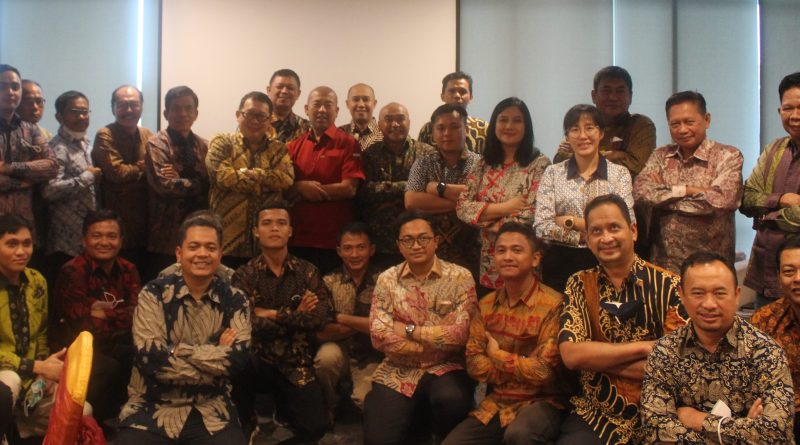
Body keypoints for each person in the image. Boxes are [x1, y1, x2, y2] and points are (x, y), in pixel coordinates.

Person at [557, 194, 686, 445]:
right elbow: (572, 355)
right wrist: (644, 347)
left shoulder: (671, 285)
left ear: (633, 231)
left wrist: (597, 361)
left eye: (614, 227)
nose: (606, 238)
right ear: (587, 239)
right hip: (597, 413)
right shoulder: (579, 283)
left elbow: (674, 366)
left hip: (660, 413)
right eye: (596, 231)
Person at [115, 212, 251, 445]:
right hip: (152, 406)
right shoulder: (153, 294)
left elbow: (237, 361)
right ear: (179, 253)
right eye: (194, 247)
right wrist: (214, 358)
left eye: (210, 248)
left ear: (220, 254)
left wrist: (177, 350)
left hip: (211, 408)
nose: (202, 254)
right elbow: (151, 360)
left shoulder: (236, 299)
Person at [641, 251, 795, 443]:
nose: (709, 304)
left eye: (719, 293)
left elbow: (776, 433)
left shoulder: (765, 352)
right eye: (698, 293)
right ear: (682, 295)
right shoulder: (664, 352)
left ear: (736, 295)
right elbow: (655, 431)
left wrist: (698, 420)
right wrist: (743, 431)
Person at [442, 223, 571, 445]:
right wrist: (522, 365)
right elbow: (474, 363)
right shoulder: (486, 304)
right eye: (501, 250)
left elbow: (543, 372)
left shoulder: (554, 304)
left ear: (535, 258)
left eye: (516, 250)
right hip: (498, 403)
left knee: (518, 435)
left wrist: (496, 355)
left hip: (543, 402)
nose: (508, 257)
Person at [364, 211, 477, 445]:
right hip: (397, 369)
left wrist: (408, 330)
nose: (416, 245)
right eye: (408, 240)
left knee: (453, 400)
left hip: (446, 366)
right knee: (377, 439)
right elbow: (378, 335)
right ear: (399, 245)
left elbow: (460, 334)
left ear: (436, 241)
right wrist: (431, 341)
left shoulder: (460, 277)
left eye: (423, 238)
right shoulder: (387, 279)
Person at [231, 202, 330, 444]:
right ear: (256, 231)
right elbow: (245, 323)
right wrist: (296, 315)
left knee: (316, 428)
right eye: (267, 223)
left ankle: (284, 412)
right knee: (237, 360)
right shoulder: (244, 275)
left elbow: (319, 319)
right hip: (257, 360)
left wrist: (272, 314)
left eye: (281, 223)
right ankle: (248, 420)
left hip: (296, 362)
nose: (274, 228)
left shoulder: (307, 271)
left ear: (290, 231)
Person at [634, 91, 743, 273]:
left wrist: (663, 199)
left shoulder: (728, 156)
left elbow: (721, 201)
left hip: (710, 268)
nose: (682, 130)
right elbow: (640, 193)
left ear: (706, 120)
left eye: (689, 122)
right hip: (663, 266)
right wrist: (687, 190)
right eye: (675, 124)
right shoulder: (660, 155)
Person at [534, 104, 635, 292]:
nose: (582, 136)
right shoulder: (553, 173)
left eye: (589, 128)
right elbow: (541, 226)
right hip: (560, 264)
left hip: (608, 260)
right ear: (567, 136)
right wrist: (587, 235)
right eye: (575, 129)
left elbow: (628, 223)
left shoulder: (619, 174)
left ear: (601, 133)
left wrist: (570, 221)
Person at [52, 209, 140, 423]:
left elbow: (138, 315)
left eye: (111, 236)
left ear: (121, 241)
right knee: (110, 366)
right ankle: (92, 424)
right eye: (96, 236)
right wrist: (119, 315)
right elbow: (83, 326)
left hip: (117, 343)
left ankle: (130, 419)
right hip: (76, 347)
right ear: (84, 240)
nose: (104, 242)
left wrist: (102, 314)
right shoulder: (72, 271)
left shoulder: (129, 269)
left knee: (144, 356)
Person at [456, 97, 551, 290]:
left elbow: (530, 215)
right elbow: (462, 208)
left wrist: (485, 222)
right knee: (489, 308)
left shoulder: (539, 164)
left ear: (526, 126)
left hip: (523, 261)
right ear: (494, 124)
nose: (509, 126)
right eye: (503, 119)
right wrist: (507, 208)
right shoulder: (483, 164)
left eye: (517, 120)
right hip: (487, 263)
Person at [206, 91, 294, 266]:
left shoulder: (279, 149)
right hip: (227, 242)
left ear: (270, 119)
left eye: (261, 116)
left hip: (267, 246)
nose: (255, 121)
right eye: (249, 114)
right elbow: (222, 176)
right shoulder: (222, 142)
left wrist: (252, 174)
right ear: (238, 115)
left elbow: (286, 180)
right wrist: (267, 179)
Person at [0, 214, 66, 440]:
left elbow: (41, 334)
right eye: (11, 244)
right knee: (10, 382)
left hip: (32, 381)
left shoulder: (37, 280)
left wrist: (45, 371)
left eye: (26, 244)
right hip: (5, 377)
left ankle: (19, 425)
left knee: (81, 412)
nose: (21, 252)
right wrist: (37, 366)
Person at [287, 86, 364, 274]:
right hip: (298, 238)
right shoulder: (294, 146)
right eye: (317, 105)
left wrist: (307, 191)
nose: (322, 110)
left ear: (336, 111)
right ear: (306, 109)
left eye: (328, 105)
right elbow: (284, 187)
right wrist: (298, 187)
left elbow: (349, 188)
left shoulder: (349, 143)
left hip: (333, 240)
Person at [742, 71, 800, 307]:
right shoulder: (774, 149)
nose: (795, 116)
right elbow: (746, 199)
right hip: (766, 277)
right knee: (763, 332)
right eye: (788, 108)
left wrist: (767, 215)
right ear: (779, 111)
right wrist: (781, 199)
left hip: (797, 277)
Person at [314, 222, 382, 419]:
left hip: (371, 355)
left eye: (361, 247)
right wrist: (364, 323)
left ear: (372, 249)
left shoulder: (385, 280)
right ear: (339, 251)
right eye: (348, 248)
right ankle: (329, 403)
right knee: (326, 358)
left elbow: (384, 327)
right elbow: (321, 331)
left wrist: (341, 318)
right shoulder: (327, 281)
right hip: (339, 350)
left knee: (366, 401)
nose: (354, 254)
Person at [405, 104, 481, 278]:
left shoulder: (480, 164)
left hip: (471, 255)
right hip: (428, 256)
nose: (447, 133)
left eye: (454, 127)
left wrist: (437, 189)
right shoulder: (422, 163)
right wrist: (465, 204)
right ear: (433, 133)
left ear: (466, 130)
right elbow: (411, 201)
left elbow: (483, 196)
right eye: (441, 128)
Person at [359, 102, 434, 268]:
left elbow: (431, 190)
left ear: (409, 122)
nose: (395, 124)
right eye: (388, 119)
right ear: (379, 125)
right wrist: (409, 187)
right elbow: (365, 192)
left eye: (400, 119)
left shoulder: (426, 153)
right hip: (381, 242)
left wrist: (385, 188)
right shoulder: (369, 154)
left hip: (418, 241)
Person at [144, 86, 209, 274]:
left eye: (188, 108)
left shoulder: (204, 145)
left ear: (196, 113)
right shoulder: (157, 143)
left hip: (199, 231)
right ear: (166, 113)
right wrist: (200, 182)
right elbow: (165, 186)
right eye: (176, 108)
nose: (183, 114)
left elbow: (213, 183)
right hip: (165, 236)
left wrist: (182, 180)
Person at [91, 85, 153, 267]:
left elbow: (156, 170)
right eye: (122, 105)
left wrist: (136, 170)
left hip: (145, 221)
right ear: (113, 108)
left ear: (141, 107)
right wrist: (142, 167)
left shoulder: (148, 134)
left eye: (134, 104)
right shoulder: (105, 135)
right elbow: (117, 174)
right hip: (116, 221)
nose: (129, 110)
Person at [554, 66, 656, 176]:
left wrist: (583, 157)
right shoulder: (583, 123)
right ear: (594, 96)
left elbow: (637, 169)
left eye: (620, 91)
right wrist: (616, 155)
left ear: (630, 96)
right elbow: (560, 161)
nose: (613, 97)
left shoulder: (641, 125)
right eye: (606, 91)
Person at [42, 91, 100, 271]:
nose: (81, 117)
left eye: (85, 112)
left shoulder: (87, 144)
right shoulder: (55, 148)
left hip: (90, 238)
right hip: (65, 243)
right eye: (75, 112)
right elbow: (49, 190)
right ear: (59, 117)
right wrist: (87, 177)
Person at [750, 237, 800, 443]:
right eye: (789, 271)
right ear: (778, 277)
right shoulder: (764, 321)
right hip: (782, 420)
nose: (798, 278)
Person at [0, 65, 57, 235]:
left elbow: (52, 166)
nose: (10, 92)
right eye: (2, 86)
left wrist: (9, 168)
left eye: (15, 87)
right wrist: (26, 182)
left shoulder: (29, 129)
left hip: (24, 223)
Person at [417, 71, 489, 154]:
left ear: (471, 97)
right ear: (442, 96)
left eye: (463, 92)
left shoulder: (483, 128)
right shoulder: (428, 129)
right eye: (452, 91)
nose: (457, 95)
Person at [266, 68, 310, 143]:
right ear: (268, 90)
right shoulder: (256, 123)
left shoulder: (307, 128)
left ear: (298, 94)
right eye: (279, 87)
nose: (284, 91)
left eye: (290, 88)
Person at [338, 83, 382, 150]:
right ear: (347, 104)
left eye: (366, 99)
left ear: (374, 103)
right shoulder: (338, 134)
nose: (361, 104)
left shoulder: (386, 134)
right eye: (355, 100)